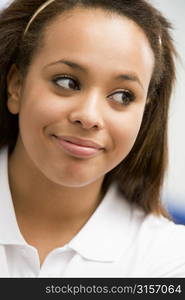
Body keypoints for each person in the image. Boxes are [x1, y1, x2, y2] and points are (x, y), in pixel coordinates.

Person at [0, 0, 185, 278]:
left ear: (144, 114)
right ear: (17, 86)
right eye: (67, 82)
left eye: (123, 96)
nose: (89, 116)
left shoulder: (169, 260)